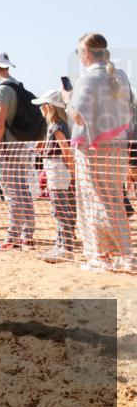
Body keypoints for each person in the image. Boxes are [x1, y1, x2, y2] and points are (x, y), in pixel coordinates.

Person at [64, 33, 133, 271]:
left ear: (85, 53)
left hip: (92, 147)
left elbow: (77, 116)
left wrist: (67, 99)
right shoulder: (119, 75)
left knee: (93, 200)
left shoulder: (88, 78)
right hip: (119, 143)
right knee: (114, 199)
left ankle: (100, 256)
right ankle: (123, 253)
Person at [0, 51, 42, 250]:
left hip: (7, 150)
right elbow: (4, 121)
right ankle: (27, 235)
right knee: (23, 190)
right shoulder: (18, 86)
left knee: (12, 194)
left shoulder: (1, 90)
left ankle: (12, 237)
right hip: (22, 146)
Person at [30, 90, 76, 263]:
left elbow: (66, 151)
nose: (40, 108)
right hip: (56, 171)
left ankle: (66, 248)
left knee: (61, 210)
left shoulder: (57, 126)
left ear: (50, 107)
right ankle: (60, 245)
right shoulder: (56, 125)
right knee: (59, 209)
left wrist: (73, 171)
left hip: (58, 172)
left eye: (42, 105)